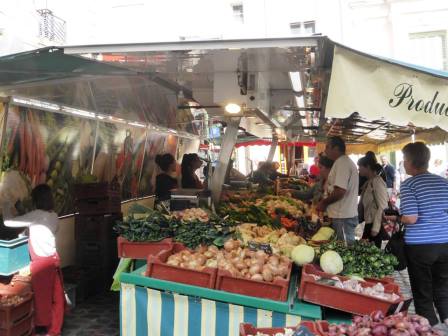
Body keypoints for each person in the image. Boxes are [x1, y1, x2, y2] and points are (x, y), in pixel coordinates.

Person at [3, 184, 65, 336]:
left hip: (41, 264)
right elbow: (45, 231)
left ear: (36, 200)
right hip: (53, 261)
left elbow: (8, 222)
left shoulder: (36, 215)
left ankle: (41, 327)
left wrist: (4, 204)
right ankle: (54, 330)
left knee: (42, 299)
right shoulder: (54, 216)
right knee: (57, 298)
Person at [399, 142, 448, 327]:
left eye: (404, 160)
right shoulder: (443, 182)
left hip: (421, 248)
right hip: (445, 243)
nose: (403, 163)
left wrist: (398, 219)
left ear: (411, 162)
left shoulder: (409, 184)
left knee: (423, 293)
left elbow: (411, 218)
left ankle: (430, 329)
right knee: (443, 291)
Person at [317, 136, 359, 244]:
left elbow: (340, 191)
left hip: (343, 218)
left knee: (345, 249)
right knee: (343, 248)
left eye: (327, 147)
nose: (325, 150)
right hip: (342, 217)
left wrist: (324, 203)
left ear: (336, 148)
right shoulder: (341, 162)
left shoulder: (342, 163)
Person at [358, 156, 389, 248]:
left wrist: (375, 228)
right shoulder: (368, 182)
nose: (358, 169)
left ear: (367, 167)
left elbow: (383, 205)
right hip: (368, 223)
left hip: (375, 225)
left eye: (360, 166)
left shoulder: (377, 181)